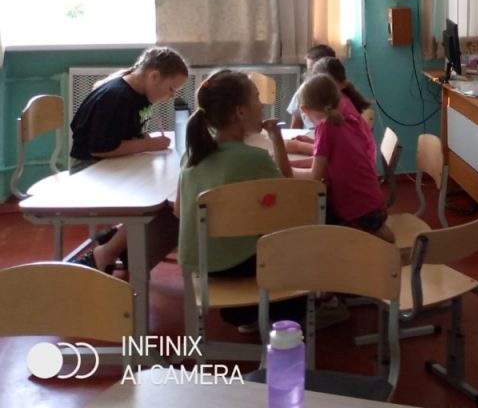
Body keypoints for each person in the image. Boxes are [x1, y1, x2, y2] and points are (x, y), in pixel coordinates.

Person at [174, 70, 345, 331]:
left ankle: (253, 314)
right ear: (240, 112)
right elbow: (293, 208)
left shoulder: (191, 156)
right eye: (256, 98)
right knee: (315, 226)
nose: (262, 104)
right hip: (244, 269)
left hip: (203, 268)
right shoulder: (254, 159)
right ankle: (303, 312)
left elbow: (178, 210)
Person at [71, 46, 189, 272]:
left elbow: (126, 134)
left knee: (169, 194)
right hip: (91, 171)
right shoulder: (116, 97)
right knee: (157, 201)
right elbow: (100, 148)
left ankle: (118, 238)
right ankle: (109, 251)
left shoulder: (140, 94)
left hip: (111, 166)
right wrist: (148, 144)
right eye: (171, 89)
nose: (172, 96)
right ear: (154, 76)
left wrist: (144, 140)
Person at [295, 74, 394, 242]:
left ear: (304, 109)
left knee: (317, 234)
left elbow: (314, 176)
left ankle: (374, 245)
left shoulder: (326, 128)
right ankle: (377, 239)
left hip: (362, 215)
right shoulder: (349, 120)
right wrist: (294, 163)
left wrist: (285, 170)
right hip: (375, 206)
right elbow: (325, 163)